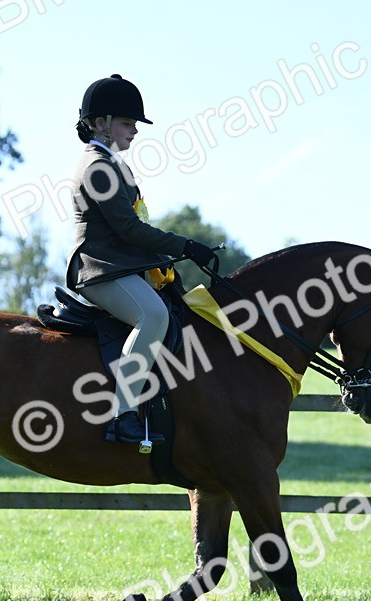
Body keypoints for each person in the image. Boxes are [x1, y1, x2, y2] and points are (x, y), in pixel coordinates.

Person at [67, 74, 217, 445]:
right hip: (99, 268)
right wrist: (185, 246)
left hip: (121, 265)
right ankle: (125, 414)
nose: (134, 131)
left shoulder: (114, 164)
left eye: (134, 124)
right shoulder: (97, 167)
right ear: (99, 123)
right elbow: (129, 229)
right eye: (127, 123)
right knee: (152, 315)